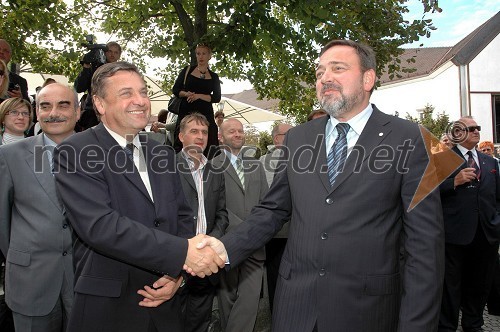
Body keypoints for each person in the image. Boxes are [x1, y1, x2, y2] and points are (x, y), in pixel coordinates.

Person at [193, 39, 445, 331]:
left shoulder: (411, 139)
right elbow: (272, 210)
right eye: (319, 72)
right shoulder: (299, 138)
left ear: (368, 78)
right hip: (295, 308)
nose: (325, 77)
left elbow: (425, 247)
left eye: (338, 68)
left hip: (367, 311)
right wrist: (223, 250)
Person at [53, 61, 224, 332]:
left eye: (143, 92)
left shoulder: (162, 153)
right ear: (99, 103)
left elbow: (182, 215)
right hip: (110, 309)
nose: (140, 101)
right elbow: (101, 226)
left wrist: (176, 274)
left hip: (165, 304)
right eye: (126, 93)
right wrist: (181, 255)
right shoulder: (76, 151)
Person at [0, 83, 78, 331]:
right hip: (30, 281)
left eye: (63, 105)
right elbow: (2, 221)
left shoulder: (99, 155)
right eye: (45, 106)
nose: (53, 112)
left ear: (78, 111)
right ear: (37, 111)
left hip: (85, 281)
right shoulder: (10, 156)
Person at [438, 117, 500, 332]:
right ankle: (447, 327)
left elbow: (497, 197)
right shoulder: (441, 159)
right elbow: (426, 193)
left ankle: (474, 324)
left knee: (480, 284)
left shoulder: (490, 162)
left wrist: (496, 223)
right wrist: (453, 182)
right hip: (454, 235)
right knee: (450, 286)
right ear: (457, 133)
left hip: (485, 235)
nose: (476, 131)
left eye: (477, 128)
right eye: (470, 128)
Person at [211, 118, 269, 332]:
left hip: (255, 244)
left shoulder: (257, 165)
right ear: (220, 136)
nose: (238, 134)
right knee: (226, 300)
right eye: (232, 131)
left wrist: (255, 230)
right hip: (226, 243)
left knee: (250, 299)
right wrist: (243, 230)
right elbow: (214, 207)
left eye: (240, 131)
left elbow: (266, 204)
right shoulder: (211, 167)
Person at [176, 113, 228, 332]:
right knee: (171, 321)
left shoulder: (215, 170)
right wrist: (183, 248)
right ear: (181, 136)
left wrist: (210, 243)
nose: (200, 136)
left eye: (204, 132)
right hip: (177, 259)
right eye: (194, 131)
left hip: (207, 261)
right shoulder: (166, 167)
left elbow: (222, 214)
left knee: (199, 321)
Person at [259, 122, 292, 311]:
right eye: (287, 134)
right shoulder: (263, 161)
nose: (292, 137)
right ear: (276, 139)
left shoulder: (304, 158)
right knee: (274, 275)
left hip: (297, 231)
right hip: (275, 233)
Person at [172, 43, 221, 158]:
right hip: (186, 112)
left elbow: (216, 98)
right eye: (198, 54)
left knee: (210, 145)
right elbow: (176, 89)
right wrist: (186, 94)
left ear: (210, 56)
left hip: (206, 114)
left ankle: (210, 172)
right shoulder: (187, 71)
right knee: (182, 143)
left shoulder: (214, 77)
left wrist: (198, 96)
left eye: (204, 53)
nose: (201, 56)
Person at [74, 41, 122, 131]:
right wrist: (86, 67)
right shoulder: (94, 68)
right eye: (109, 51)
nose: (112, 55)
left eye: (116, 52)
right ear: (104, 52)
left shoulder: (122, 72)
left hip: (114, 114)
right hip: (92, 113)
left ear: (119, 55)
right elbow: (79, 88)